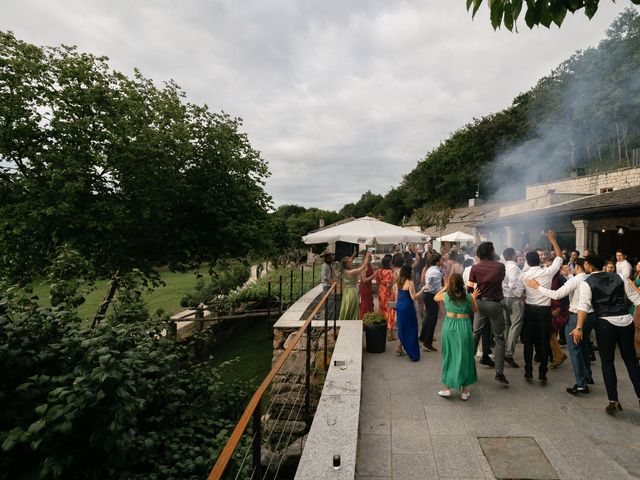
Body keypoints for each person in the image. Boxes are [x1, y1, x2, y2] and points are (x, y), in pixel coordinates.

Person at [575, 254, 640, 414]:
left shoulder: (586, 283)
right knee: (631, 361)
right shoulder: (619, 277)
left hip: (606, 323)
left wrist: (579, 327)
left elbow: (583, 307)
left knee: (607, 362)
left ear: (589, 266)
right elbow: (636, 298)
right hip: (625, 320)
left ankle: (613, 400)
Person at [527, 258, 595, 394]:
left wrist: (537, 287)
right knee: (583, 347)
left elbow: (557, 295)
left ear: (577, 267)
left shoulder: (575, 280)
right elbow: (575, 283)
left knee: (575, 350)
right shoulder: (587, 277)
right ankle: (587, 377)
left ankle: (581, 384)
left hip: (577, 316)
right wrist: (569, 274)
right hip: (591, 316)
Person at [522, 230, 563, 383]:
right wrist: (553, 240)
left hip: (530, 310)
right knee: (544, 341)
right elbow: (559, 257)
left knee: (528, 341)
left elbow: (519, 292)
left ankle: (528, 371)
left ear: (527, 261)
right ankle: (542, 373)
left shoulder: (525, 275)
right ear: (539, 260)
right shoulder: (547, 272)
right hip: (544, 311)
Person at [435, 273, 480, 400]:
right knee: (464, 356)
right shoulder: (468, 297)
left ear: (451, 283)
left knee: (449, 355)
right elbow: (475, 310)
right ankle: (464, 391)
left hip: (449, 325)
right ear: (462, 284)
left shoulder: (445, 296)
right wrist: (474, 298)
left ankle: (447, 388)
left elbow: (435, 298)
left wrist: (445, 287)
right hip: (464, 326)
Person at [469, 242, 508, 384]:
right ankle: (499, 372)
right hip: (495, 303)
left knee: (475, 334)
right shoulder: (500, 266)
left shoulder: (475, 267)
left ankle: (467, 365)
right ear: (491, 252)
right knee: (499, 338)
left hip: (479, 303)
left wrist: (475, 294)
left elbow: (469, 287)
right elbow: (500, 280)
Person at [393, 265, 425, 361]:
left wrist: (397, 307)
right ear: (408, 272)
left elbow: (396, 296)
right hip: (407, 307)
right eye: (411, 271)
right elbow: (414, 297)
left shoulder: (398, 282)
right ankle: (413, 352)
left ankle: (399, 347)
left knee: (402, 327)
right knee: (411, 328)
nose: (412, 272)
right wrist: (423, 290)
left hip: (399, 306)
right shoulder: (410, 282)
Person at [502, 247, 524, 368]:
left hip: (504, 297)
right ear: (512, 255)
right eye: (516, 254)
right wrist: (520, 295)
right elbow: (512, 285)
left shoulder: (503, 266)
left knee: (507, 325)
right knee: (515, 325)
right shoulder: (514, 267)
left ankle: (505, 350)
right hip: (513, 299)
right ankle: (508, 353)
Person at [420, 253, 445, 352]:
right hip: (431, 296)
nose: (443, 261)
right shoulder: (436, 272)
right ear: (437, 261)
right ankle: (427, 343)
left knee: (428, 317)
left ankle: (423, 337)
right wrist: (446, 289)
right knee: (432, 320)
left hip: (428, 295)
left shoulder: (431, 269)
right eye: (441, 259)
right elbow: (438, 289)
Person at [338, 251, 371, 320]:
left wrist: (353, 255)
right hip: (352, 291)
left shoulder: (344, 270)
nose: (351, 263)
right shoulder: (351, 272)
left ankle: (346, 320)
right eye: (350, 262)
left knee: (347, 306)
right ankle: (352, 321)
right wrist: (367, 257)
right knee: (352, 306)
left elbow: (348, 261)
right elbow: (362, 267)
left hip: (346, 291)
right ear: (346, 264)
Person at [375, 255, 396, 340]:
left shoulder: (379, 271)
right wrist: (395, 281)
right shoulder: (389, 272)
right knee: (390, 312)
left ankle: (382, 331)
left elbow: (377, 282)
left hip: (381, 292)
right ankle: (390, 334)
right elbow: (388, 285)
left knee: (382, 311)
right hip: (388, 293)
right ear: (389, 263)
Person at [359, 252, 376, 320]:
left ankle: (368, 319)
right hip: (364, 288)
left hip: (368, 287)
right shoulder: (363, 267)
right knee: (365, 304)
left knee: (369, 303)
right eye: (369, 257)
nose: (371, 258)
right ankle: (364, 320)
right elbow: (364, 280)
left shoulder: (369, 266)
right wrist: (373, 275)